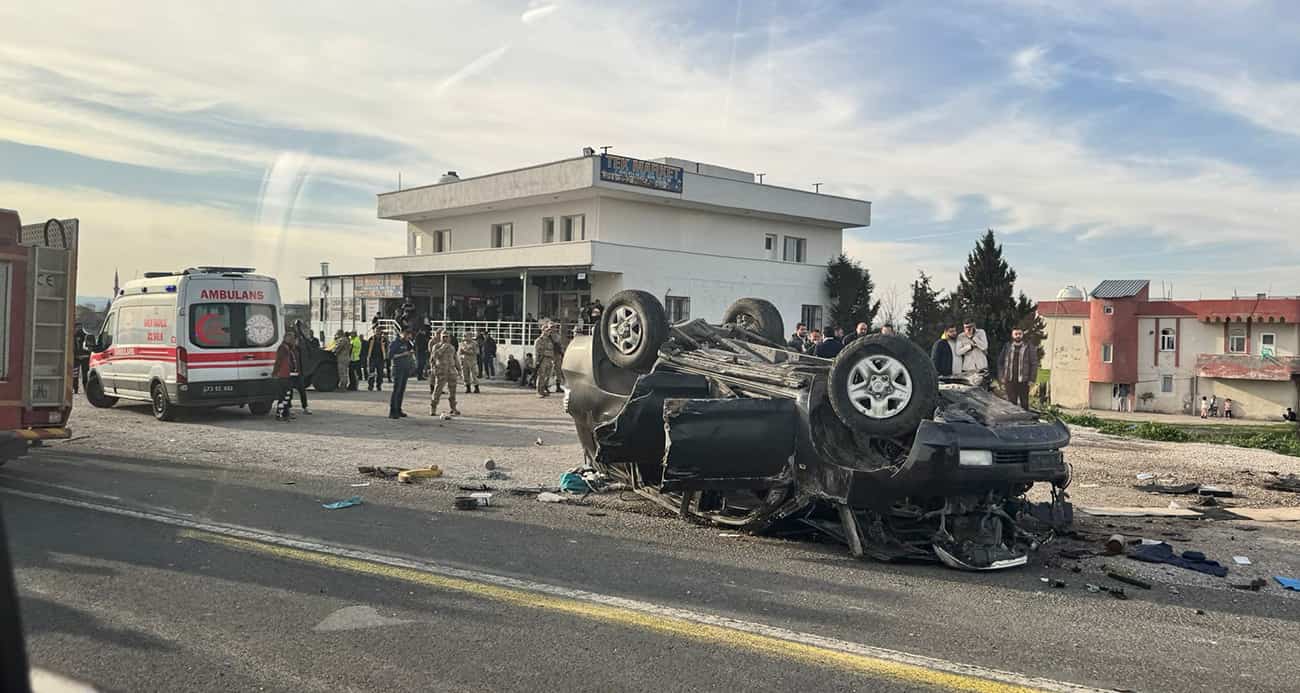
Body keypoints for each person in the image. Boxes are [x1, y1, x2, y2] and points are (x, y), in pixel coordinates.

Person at [998, 328, 1039, 410]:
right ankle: (1011, 422)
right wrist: (1001, 376)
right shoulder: (1007, 346)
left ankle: (1025, 422)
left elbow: (1034, 364)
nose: (1018, 336)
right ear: (1012, 335)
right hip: (1009, 380)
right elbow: (1000, 362)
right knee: (1011, 404)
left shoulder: (1028, 347)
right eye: (1016, 334)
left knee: (1024, 404)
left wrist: (1032, 379)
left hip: (1023, 381)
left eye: (1019, 334)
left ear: (1022, 335)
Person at [429, 331, 461, 416]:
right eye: (443, 337)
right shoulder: (436, 346)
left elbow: (455, 359)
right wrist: (443, 347)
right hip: (441, 371)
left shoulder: (452, 347)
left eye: (447, 337)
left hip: (451, 371)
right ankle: (433, 407)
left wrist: (459, 370)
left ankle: (453, 408)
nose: (445, 339)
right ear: (440, 337)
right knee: (438, 390)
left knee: (452, 391)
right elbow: (433, 357)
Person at [388, 327, 416, 419]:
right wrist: (403, 354)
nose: (409, 336)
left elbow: (411, 350)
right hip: (398, 369)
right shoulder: (395, 343)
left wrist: (411, 352)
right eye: (407, 334)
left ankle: (398, 409)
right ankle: (392, 411)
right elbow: (390, 356)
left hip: (405, 369)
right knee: (397, 390)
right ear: (402, 333)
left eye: (410, 335)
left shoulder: (407, 343)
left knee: (402, 390)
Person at [272, 330, 301, 421]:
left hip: (288, 375)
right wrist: (275, 372)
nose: (293, 340)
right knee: (283, 396)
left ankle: (285, 413)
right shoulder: (283, 348)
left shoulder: (289, 348)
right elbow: (279, 361)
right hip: (283, 375)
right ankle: (280, 414)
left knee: (287, 396)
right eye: (291, 338)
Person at [534, 323, 558, 397]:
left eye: (549, 330)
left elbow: (552, 350)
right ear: (543, 330)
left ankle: (543, 389)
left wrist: (553, 359)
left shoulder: (550, 340)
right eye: (546, 330)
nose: (548, 332)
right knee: (541, 376)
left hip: (549, 359)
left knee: (547, 376)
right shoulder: (539, 340)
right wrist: (537, 361)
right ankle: (538, 391)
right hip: (542, 360)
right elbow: (537, 352)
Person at [366, 322, 387, 391]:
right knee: (371, 373)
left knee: (380, 373)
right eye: (376, 331)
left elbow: (387, 348)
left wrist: (386, 358)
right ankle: (370, 385)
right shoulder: (371, 339)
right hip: (372, 358)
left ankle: (379, 385)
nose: (378, 332)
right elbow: (366, 348)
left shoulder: (384, 340)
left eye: (379, 331)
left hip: (380, 359)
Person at [72, 323, 91, 394]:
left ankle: (76, 389)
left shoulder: (73, 336)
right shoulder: (86, 335)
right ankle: (84, 389)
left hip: (76, 358)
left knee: (76, 375)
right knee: (84, 374)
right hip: (84, 357)